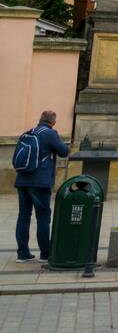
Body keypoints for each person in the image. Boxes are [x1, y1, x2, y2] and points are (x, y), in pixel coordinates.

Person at [13, 109, 69, 262]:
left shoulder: (28, 132)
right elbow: (64, 151)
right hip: (39, 182)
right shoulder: (50, 133)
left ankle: (22, 253)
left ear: (40, 119)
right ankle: (45, 253)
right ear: (53, 122)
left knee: (23, 216)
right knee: (43, 217)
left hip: (22, 180)